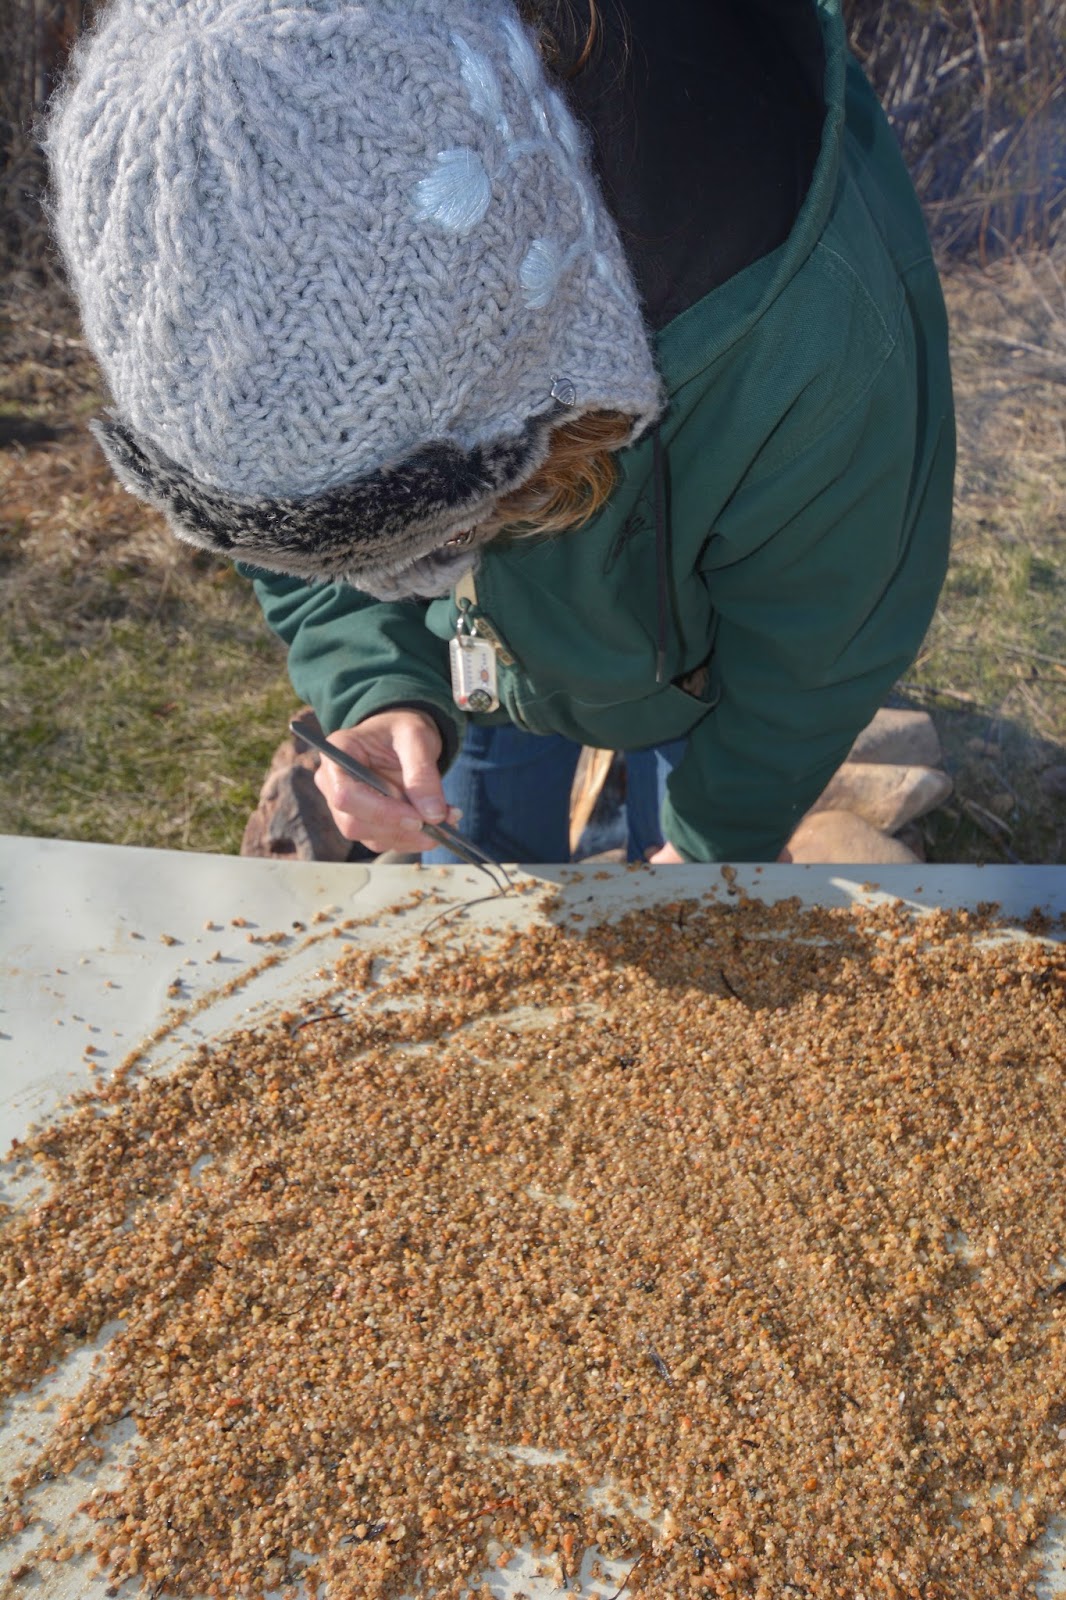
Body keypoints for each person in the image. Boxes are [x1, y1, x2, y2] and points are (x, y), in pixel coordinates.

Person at [46, 0, 955, 865]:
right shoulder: (202, 241)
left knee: (677, 850)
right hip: (484, 675)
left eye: (422, 532)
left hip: (697, 681)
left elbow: (819, 639)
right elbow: (285, 514)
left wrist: (723, 831)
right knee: (494, 838)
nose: (385, 579)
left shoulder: (809, 332)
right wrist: (380, 684)